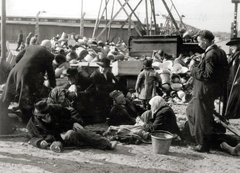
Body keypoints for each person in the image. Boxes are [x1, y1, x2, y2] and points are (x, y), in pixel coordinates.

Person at [187, 30, 228, 152]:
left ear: (205, 40)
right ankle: (197, 137)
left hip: (204, 92)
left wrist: (193, 69)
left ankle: (202, 145)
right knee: (190, 110)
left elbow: (208, 75)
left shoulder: (210, 54)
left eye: (199, 42)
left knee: (201, 118)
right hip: (210, 91)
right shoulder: (219, 51)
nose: (198, 44)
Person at [26, 100, 117, 152]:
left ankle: (107, 144)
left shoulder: (55, 109)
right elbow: (32, 137)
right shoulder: (33, 122)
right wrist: (39, 142)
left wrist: (74, 122)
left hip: (65, 131)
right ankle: (101, 142)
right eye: (43, 117)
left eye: (48, 115)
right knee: (73, 134)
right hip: (56, 139)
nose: (47, 117)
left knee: (80, 131)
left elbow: (70, 114)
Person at [0, 40, 56, 126]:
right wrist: (53, 86)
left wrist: (23, 66)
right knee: (27, 98)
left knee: (7, 95)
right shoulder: (48, 54)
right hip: (28, 75)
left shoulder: (30, 47)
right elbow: (50, 72)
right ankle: (27, 121)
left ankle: (2, 115)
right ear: (49, 47)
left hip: (15, 72)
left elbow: (17, 58)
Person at [224, 37, 240, 119]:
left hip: (236, 84)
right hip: (231, 83)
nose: (231, 47)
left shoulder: (238, 56)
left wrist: (238, 80)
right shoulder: (234, 56)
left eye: (233, 45)